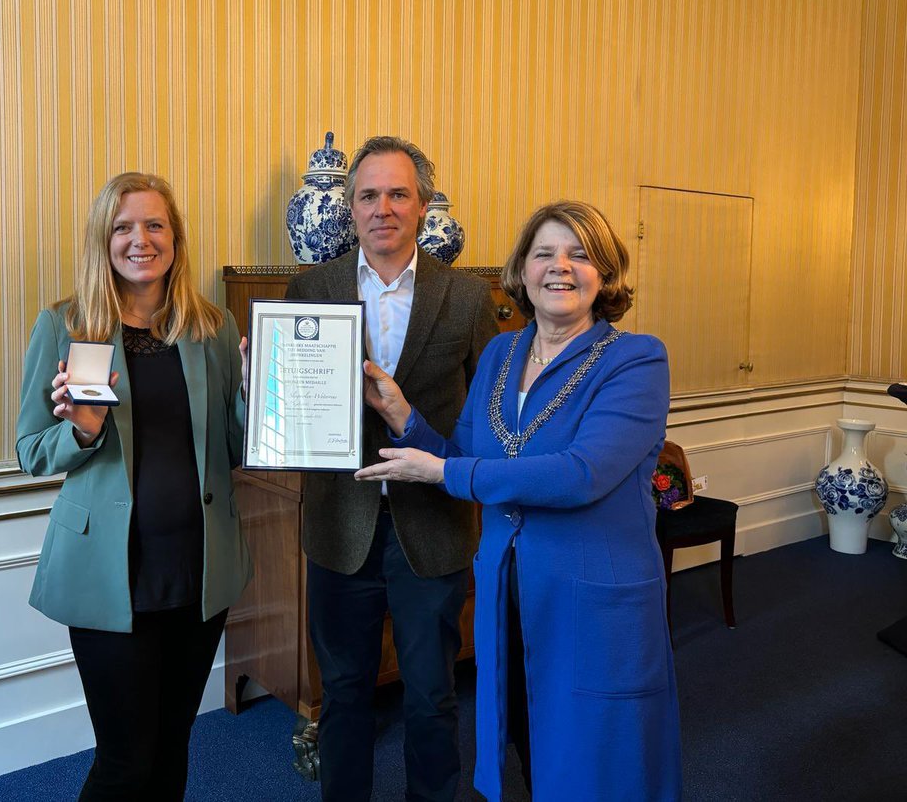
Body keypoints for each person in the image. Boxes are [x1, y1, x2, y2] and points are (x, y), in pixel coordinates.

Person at [355, 199, 682, 801]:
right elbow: (464, 452)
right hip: (508, 590)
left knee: (598, 760)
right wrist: (404, 416)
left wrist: (446, 473)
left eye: (581, 255)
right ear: (522, 271)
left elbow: (581, 474)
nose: (561, 267)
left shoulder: (637, 360)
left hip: (591, 598)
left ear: (606, 275)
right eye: (544, 254)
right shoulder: (503, 355)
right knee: (530, 743)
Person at [16, 172, 251, 801]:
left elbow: (235, 448)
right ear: (103, 239)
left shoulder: (212, 328)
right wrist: (84, 433)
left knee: (173, 745)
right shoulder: (68, 325)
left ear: (175, 238)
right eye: (123, 227)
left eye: (154, 225)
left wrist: (262, 398)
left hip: (198, 570)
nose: (139, 239)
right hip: (110, 573)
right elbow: (31, 452)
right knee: (125, 760)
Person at [285, 136, 498, 802]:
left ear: (424, 204)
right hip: (337, 529)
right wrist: (261, 390)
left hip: (430, 528)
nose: (383, 208)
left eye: (398, 194)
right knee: (344, 695)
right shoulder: (310, 287)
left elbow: (486, 423)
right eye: (368, 195)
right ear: (350, 207)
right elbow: (289, 405)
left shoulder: (466, 298)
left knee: (432, 696)